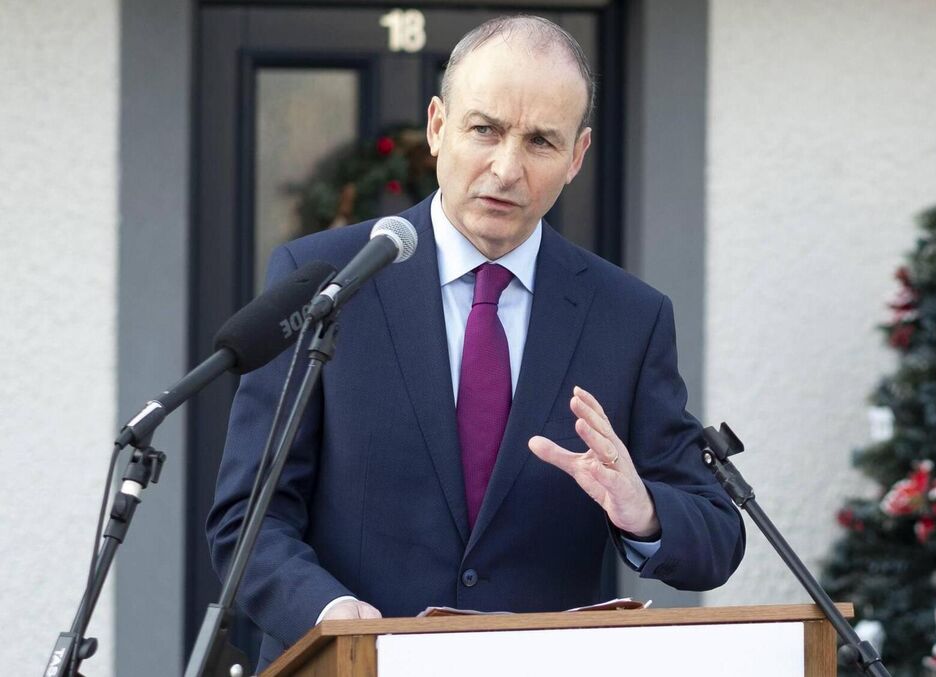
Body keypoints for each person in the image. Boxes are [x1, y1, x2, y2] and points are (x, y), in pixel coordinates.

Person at [207, 15, 744, 670]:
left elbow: (717, 534)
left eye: (541, 141)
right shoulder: (325, 280)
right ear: (438, 126)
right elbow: (248, 518)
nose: (506, 167)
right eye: (484, 129)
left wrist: (646, 511)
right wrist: (327, 612)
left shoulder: (628, 316)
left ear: (577, 156)